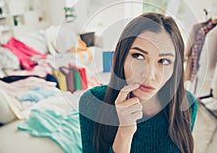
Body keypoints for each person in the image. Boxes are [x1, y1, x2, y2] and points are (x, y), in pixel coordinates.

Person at [79, 12, 197, 153]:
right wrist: (125, 131)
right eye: (138, 56)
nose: (149, 75)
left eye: (164, 61)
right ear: (120, 57)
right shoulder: (92, 102)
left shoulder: (187, 104)